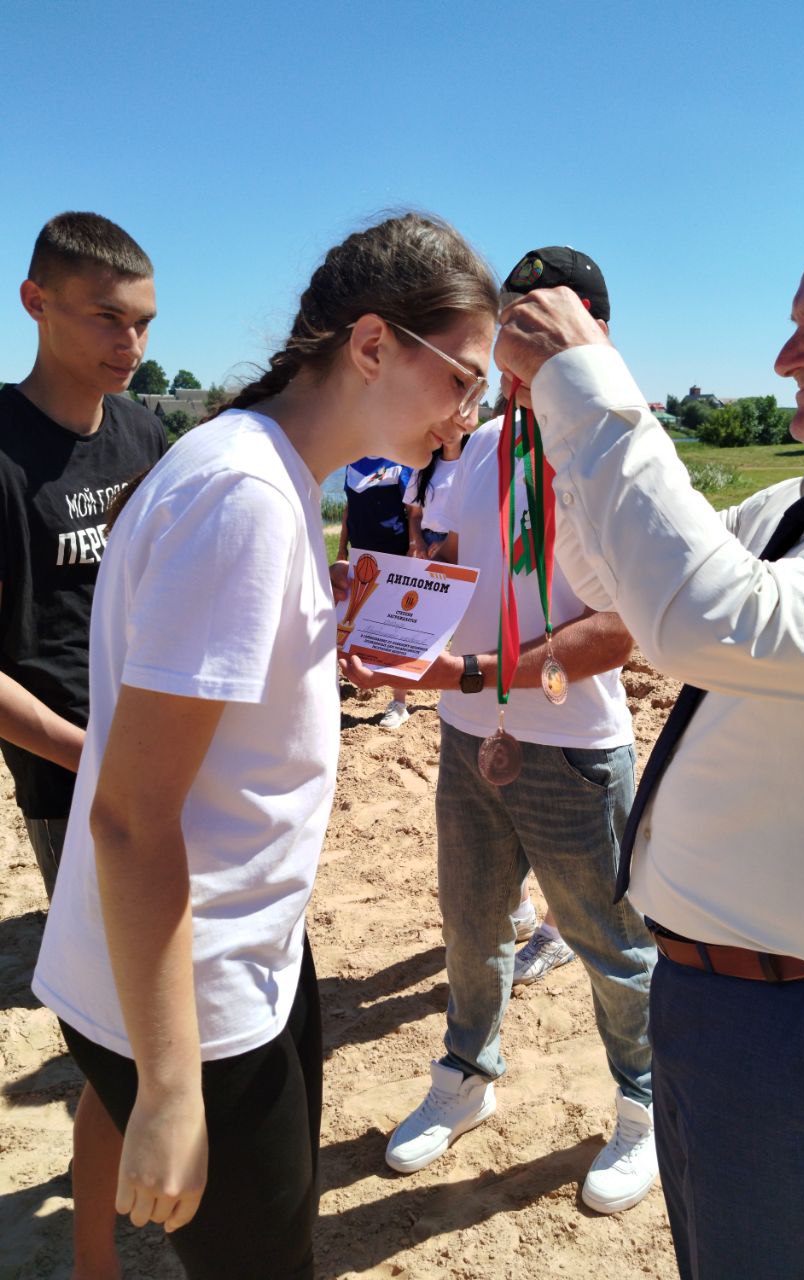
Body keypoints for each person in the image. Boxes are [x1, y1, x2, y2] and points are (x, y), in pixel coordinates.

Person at [495, 200, 804, 1279]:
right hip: (724, 993)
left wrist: (587, 383)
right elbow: (624, 584)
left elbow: (710, 621)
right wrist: (559, 425)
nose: (787, 357)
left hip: (802, 1017)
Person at [32, 211, 498, 1280]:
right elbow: (130, 815)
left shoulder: (257, 472)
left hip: (242, 948)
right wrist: (168, 1087)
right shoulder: (243, 495)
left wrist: (317, 619)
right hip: (194, 989)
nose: (467, 418)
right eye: (462, 380)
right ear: (372, 345)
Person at [343, 247, 658, 1215]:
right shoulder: (478, 447)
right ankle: (467, 1073)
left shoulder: (616, 453)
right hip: (465, 735)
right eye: (508, 334)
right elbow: (443, 567)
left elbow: (625, 629)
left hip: (574, 745)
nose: (511, 360)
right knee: (472, 925)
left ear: (593, 333)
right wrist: (388, 615)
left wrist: (475, 669)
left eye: (535, 333)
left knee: (613, 945)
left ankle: (647, 1100)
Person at [0, 210, 166, 1279]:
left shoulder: (145, 434)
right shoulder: (4, 452)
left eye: (144, 322)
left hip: (169, 761)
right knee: (114, 1035)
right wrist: (88, 755)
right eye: (109, 318)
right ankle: (95, 1262)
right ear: (36, 303)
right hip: (76, 784)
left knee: (171, 1011)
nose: (131, 343)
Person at [338, 456, 414, 727]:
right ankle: (344, 681)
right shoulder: (352, 462)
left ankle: (399, 703)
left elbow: (413, 510)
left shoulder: (399, 461)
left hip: (395, 554)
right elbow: (349, 510)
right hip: (360, 557)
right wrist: (341, 549)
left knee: (395, 628)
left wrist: (413, 545)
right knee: (350, 624)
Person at [404, 428, 470, 560]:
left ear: (465, 428)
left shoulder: (472, 466)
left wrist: (448, 545)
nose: (448, 429)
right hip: (425, 545)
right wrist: (416, 542)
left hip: (460, 546)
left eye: (454, 424)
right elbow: (414, 514)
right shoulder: (424, 467)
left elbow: (476, 519)